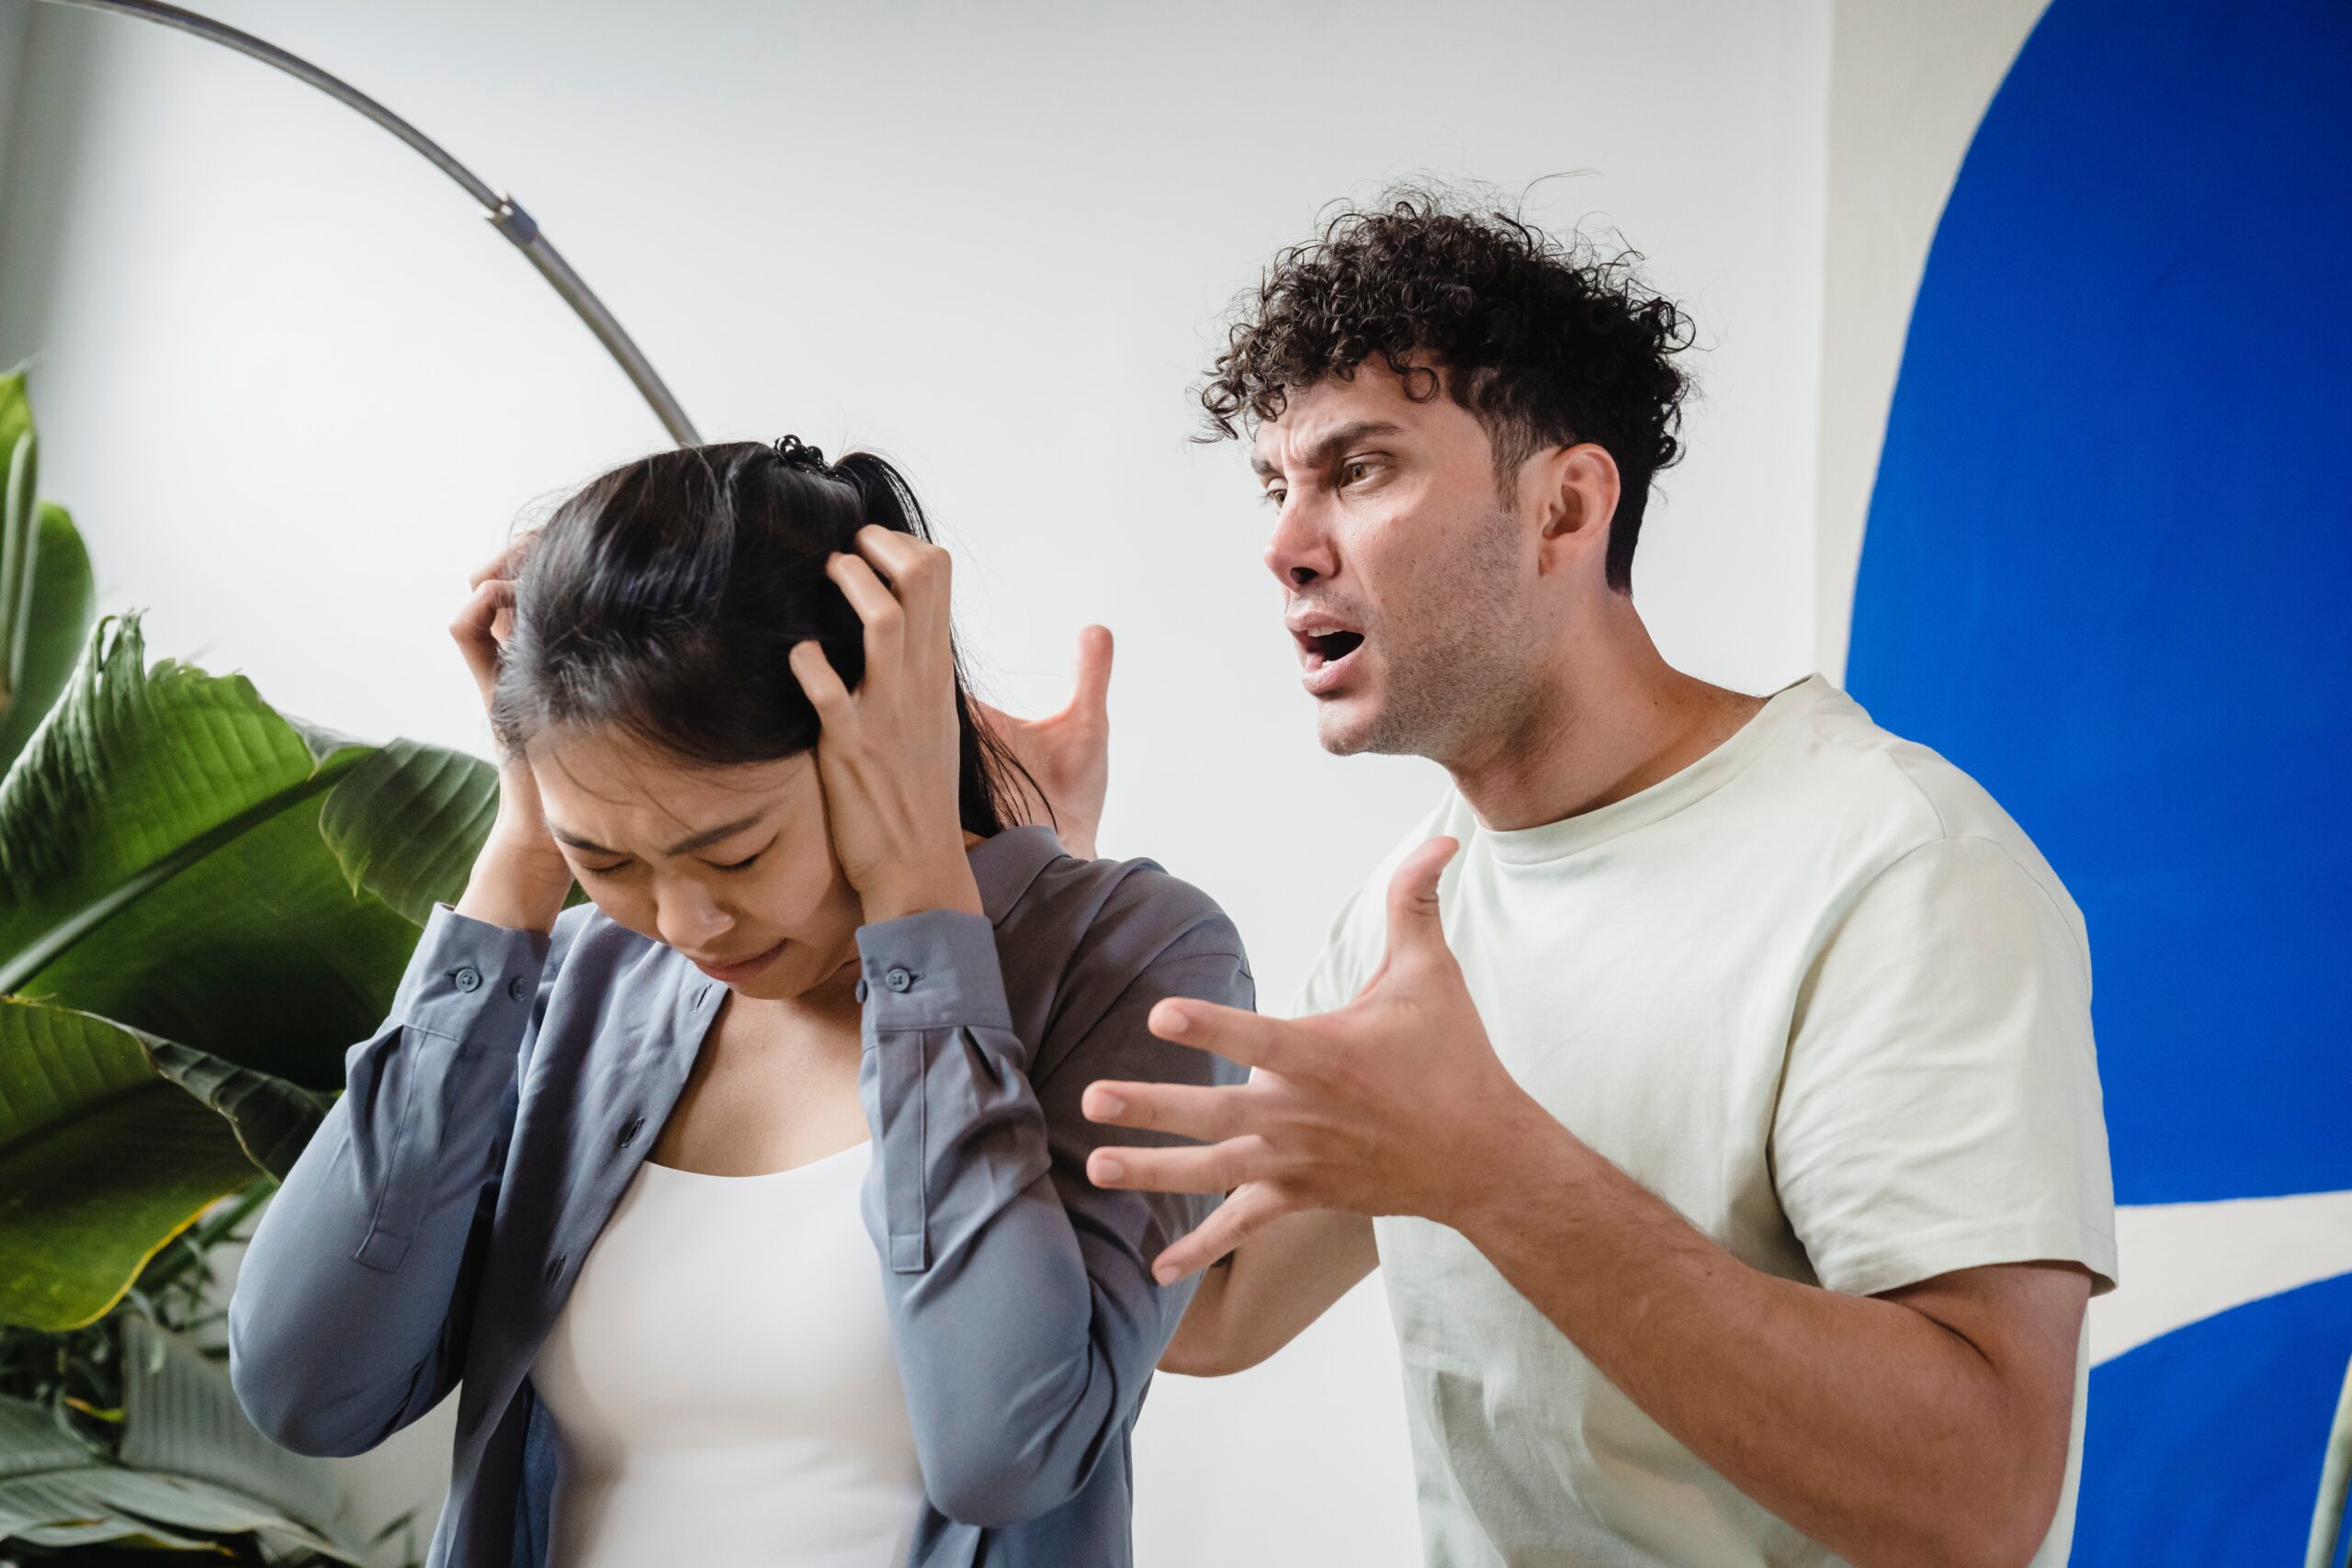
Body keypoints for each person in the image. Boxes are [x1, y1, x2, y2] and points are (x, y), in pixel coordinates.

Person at [1068, 193, 2117, 1568]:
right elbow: (1204, 1303)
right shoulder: (1420, 903)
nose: (1286, 542)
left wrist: (1490, 1167)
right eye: (1278, 485)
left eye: (1359, 468)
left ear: (1566, 504)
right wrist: (1004, 890)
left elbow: (1979, 1496)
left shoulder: (1896, 861)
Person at [227, 439, 1250, 1568]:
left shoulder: (1136, 956)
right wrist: (523, 853)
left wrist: (918, 912)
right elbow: (306, 1386)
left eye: (737, 852)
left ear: (878, 737)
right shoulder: (580, 981)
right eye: (607, 862)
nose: (686, 924)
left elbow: (1005, 1449)